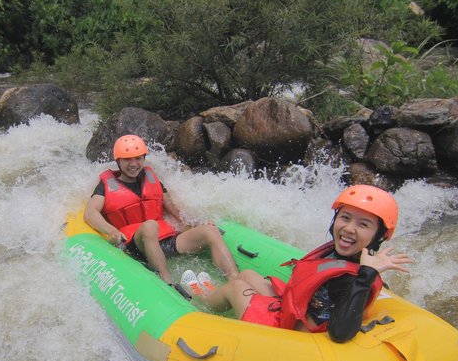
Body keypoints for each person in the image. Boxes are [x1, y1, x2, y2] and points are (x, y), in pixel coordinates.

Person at [180, 184, 413, 343]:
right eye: (345, 218)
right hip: (297, 310)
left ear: (379, 236)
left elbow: (341, 333)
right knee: (248, 274)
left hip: (293, 334)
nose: (349, 228)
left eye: (363, 225)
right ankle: (223, 293)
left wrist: (366, 275)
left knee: (236, 288)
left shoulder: (355, 276)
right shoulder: (344, 254)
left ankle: (203, 299)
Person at [84, 134, 239, 285]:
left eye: (138, 158)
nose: (133, 163)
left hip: (165, 241)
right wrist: (111, 231)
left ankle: (235, 279)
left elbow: (174, 209)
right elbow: (90, 213)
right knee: (150, 226)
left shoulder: (152, 178)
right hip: (134, 246)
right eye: (127, 159)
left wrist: (195, 223)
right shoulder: (106, 185)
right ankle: (167, 282)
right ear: (118, 160)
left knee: (209, 231)